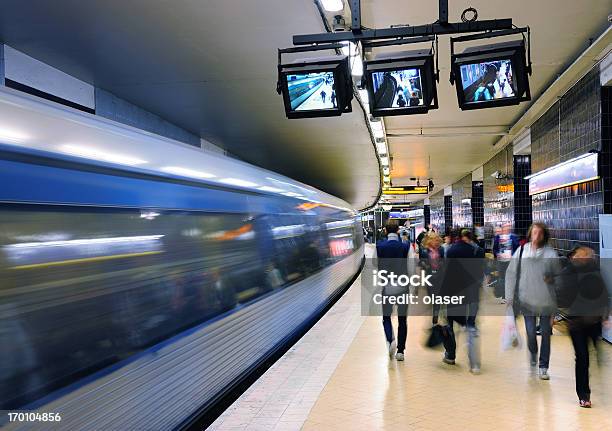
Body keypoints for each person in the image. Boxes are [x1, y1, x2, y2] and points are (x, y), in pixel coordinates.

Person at [505, 222, 561, 380]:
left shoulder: (551, 254)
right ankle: (533, 353)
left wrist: (552, 280)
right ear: (530, 234)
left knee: (545, 333)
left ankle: (544, 366)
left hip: (546, 301)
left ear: (544, 235)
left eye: (540, 233)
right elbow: (511, 273)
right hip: (526, 299)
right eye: (534, 232)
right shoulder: (522, 251)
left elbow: (559, 277)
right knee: (530, 333)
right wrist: (509, 296)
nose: (537, 235)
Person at [557, 246, 610, 407]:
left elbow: (604, 292)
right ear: (575, 256)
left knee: (593, 351)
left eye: (588, 254)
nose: (587, 256)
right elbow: (562, 296)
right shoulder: (568, 272)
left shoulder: (595, 269)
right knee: (582, 358)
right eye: (583, 254)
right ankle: (584, 395)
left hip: (594, 320)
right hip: (577, 322)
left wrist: (605, 313)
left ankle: (597, 364)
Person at [440, 229, 485, 374]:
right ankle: (474, 364)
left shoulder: (451, 251)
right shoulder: (478, 251)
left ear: (459, 237)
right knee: (470, 326)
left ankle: (451, 355)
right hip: (472, 295)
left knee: (451, 325)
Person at [376, 221, 410, 361]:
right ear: (397, 231)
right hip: (403, 286)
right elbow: (412, 267)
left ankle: (390, 340)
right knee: (402, 320)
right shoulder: (405, 246)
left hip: (387, 286)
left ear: (385, 230)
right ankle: (400, 352)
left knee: (386, 317)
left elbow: (374, 265)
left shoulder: (379, 246)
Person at [421, 232, 445, 325]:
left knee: (437, 298)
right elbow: (421, 262)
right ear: (429, 241)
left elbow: (444, 261)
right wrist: (426, 266)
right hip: (429, 275)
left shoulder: (441, 249)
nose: (436, 242)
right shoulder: (424, 251)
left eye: (437, 240)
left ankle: (435, 318)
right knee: (431, 296)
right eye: (434, 240)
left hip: (439, 275)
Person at [493, 223, 520, 303]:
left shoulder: (513, 237)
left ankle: (512, 297)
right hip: (501, 261)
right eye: (505, 228)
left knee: (511, 278)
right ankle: (504, 296)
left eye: (508, 228)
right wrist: (497, 254)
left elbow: (517, 248)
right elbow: (495, 248)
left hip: (511, 261)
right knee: (502, 279)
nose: (506, 229)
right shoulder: (498, 237)